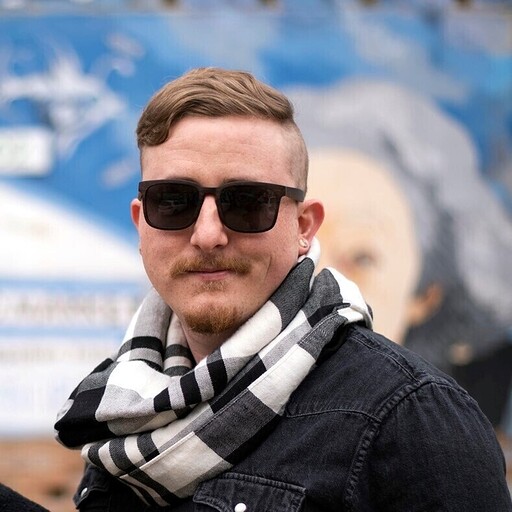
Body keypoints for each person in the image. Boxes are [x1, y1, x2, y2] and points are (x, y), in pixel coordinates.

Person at [54, 67, 512, 511]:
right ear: (141, 224)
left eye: (249, 202)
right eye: (174, 202)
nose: (208, 234)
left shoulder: (410, 418)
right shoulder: (126, 408)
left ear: (304, 227)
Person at [289, 78, 512, 429]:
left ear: (425, 295)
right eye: (300, 243)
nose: (319, 281)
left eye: (361, 258)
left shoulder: (441, 445)